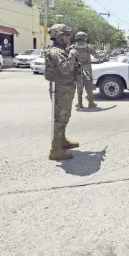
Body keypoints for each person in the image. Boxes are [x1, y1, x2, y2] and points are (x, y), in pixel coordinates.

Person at [43, 24, 80, 160]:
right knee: (60, 118)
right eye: (67, 34)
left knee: (64, 116)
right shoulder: (56, 51)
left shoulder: (61, 50)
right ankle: (55, 149)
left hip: (65, 88)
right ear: (59, 35)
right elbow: (65, 68)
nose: (69, 37)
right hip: (60, 89)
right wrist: (72, 54)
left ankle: (62, 140)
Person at [68, 31, 99, 108]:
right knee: (88, 85)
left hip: (77, 69)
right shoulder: (89, 46)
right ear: (84, 37)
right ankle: (91, 102)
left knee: (79, 86)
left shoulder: (72, 47)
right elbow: (97, 56)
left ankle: (80, 103)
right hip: (87, 69)